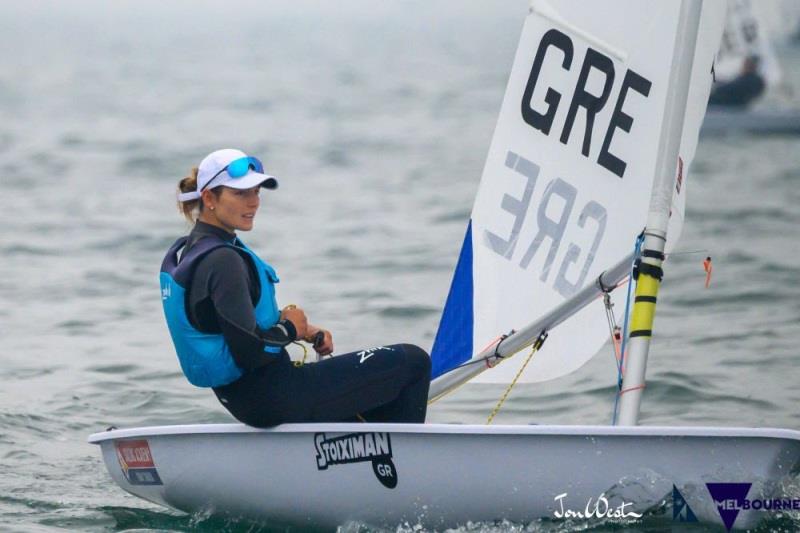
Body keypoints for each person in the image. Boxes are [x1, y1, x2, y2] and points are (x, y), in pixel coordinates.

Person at [160, 148, 431, 427]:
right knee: (413, 362)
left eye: (256, 192)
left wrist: (303, 329)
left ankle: (358, 456)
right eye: (240, 193)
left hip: (248, 399)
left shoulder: (196, 249)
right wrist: (290, 329)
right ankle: (404, 462)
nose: (253, 203)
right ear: (209, 198)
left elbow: (230, 323)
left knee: (371, 399)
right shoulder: (222, 260)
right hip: (276, 396)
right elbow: (250, 352)